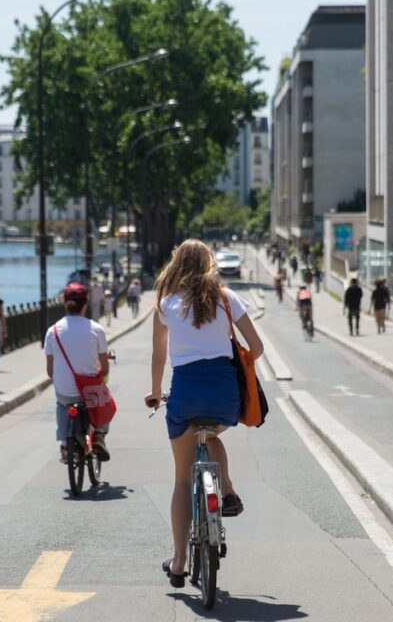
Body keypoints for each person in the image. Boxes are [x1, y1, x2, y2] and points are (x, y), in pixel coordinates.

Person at [145, 240, 264, 587]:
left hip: (185, 396)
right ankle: (226, 488)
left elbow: (158, 356)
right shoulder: (227, 299)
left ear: (176, 265)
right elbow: (256, 348)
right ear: (210, 263)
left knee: (182, 479)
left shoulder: (166, 304)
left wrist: (155, 392)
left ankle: (179, 562)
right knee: (211, 434)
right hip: (225, 396)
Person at [45, 282, 111, 464]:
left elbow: (50, 372)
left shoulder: (52, 331)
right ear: (85, 303)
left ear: (65, 303)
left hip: (65, 390)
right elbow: (104, 369)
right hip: (88, 391)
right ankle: (99, 435)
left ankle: (64, 445)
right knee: (104, 399)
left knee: (62, 404)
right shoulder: (96, 329)